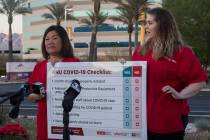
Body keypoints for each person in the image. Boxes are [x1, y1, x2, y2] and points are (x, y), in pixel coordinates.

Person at [132, 7, 208, 140]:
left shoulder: (182, 53)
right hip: (140, 121)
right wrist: (120, 69)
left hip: (169, 123)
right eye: (145, 23)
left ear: (163, 25)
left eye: (150, 23)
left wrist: (180, 95)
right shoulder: (140, 51)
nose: (146, 27)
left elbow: (199, 82)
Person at [28, 25, 80, 140]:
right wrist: (35, 96)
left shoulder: (75, 63)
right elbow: (30, 93)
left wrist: (121, 66)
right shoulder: (39, 67)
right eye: (47, 39)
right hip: (45, 121)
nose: (50, 42)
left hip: (71, 120)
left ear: (64, 41)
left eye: (55, 38)